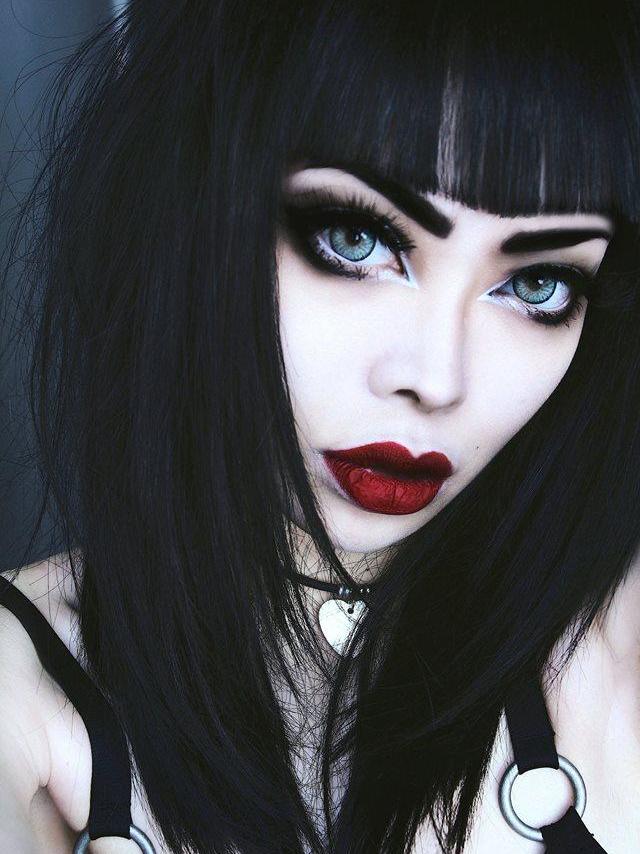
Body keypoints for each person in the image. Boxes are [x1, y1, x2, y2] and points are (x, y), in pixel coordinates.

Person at [1, 1, 640, 852]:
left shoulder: (612, 643)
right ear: (200, 212)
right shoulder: (18, 687)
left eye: (536, 286)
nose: (436, 380)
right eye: (356, 238)